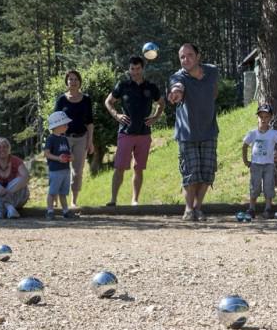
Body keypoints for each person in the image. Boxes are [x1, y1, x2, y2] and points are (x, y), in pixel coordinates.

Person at [104, 55, 165, 206]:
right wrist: (116, 115)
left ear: (143, 69)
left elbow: (162, 103)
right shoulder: (122, 85)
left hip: (144, 133)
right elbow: (108, 101)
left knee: (138, 169)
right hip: (126, 133)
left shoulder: (151, 87)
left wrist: (155, 118)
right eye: (132, 69)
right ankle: (113, 200)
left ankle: (135, 200)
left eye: (138, 69)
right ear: (129, 69)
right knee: (119, 168)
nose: (135, 72)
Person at [168, 43, 219, 222]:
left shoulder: (212, 71)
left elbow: (214, 90)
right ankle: (188, 209)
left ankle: (198, 208)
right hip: (187, 134)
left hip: (209, 131)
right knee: (191, 173)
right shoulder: (178, 76)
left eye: (189, 55)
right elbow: (177, 86)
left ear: (198, 57)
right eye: (182, 57)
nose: (185, 59)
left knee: (207, 173)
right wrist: (176, 93)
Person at [53, 70, 94, 208]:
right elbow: (55, 121)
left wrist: (90, 141)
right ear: (67, 82)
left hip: (81, 138)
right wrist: (56, 140)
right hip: (64, 139)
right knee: (61, 169)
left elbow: (90, 121)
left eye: (76, 79)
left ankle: (73, 201)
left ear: (80, 81)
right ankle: (56, 199)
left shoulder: (86, 99)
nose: (73, 82)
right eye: (70, 79)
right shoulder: (61, 100)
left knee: (77, 172)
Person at [242, 104, 277, 219]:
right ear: (257, 117)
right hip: (255, 164)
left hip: (268, 165)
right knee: (254, 186)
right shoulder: (252, 133)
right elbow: (245, 145)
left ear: (270, 118)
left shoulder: (273, 133)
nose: (263, 119)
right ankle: (251, 208)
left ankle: (268, 208)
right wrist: (246, 160)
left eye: (266, 117)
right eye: (261, 116)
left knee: (268, 185)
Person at [43, 111, 80, 220]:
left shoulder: (64, 139)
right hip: (55, 170)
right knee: (53, 192)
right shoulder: (51, 139)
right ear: (57, 125)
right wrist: (58, 159)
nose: (67, 126)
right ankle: (50, 211)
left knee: (63, 192)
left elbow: (69, 152)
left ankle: (65, 211)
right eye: (65, 124)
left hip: (65, 170)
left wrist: (71, 156)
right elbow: (46, 153)